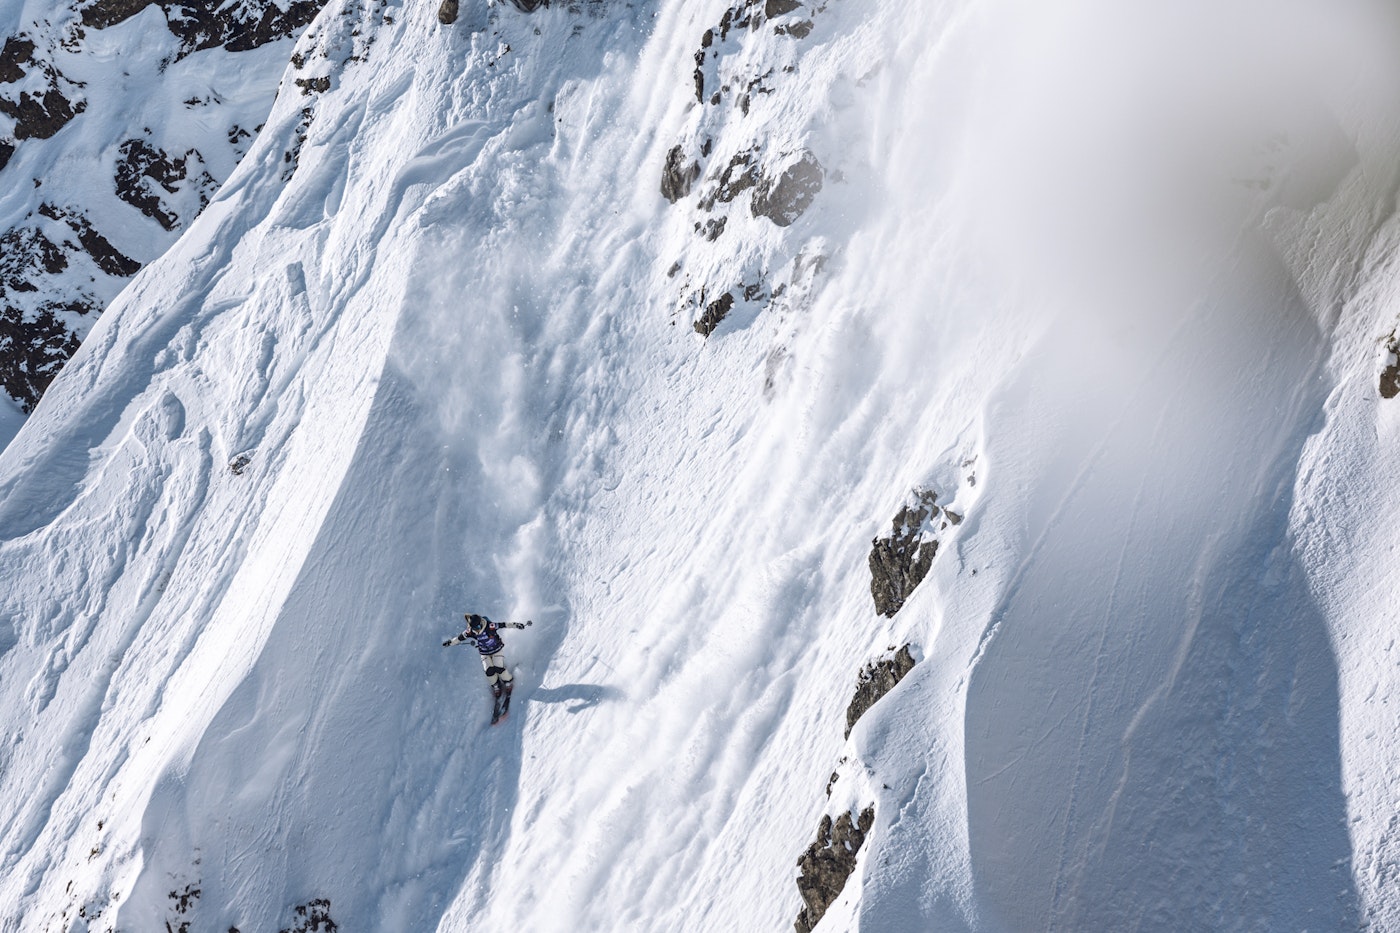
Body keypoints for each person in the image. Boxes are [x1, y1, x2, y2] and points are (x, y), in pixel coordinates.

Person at [443, 613, 532, 721]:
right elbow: (459, 638)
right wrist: (450, 642)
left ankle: (508, 682)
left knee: (499, 668)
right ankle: (496, 685)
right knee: (489, 671)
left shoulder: (489, 626)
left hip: (497, 650)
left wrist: (517, 625)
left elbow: (504, 624)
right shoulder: (470, 631)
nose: (477, 629)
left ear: (481, 623)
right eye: (475, 628)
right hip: (484, 653)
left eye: (479, 627)